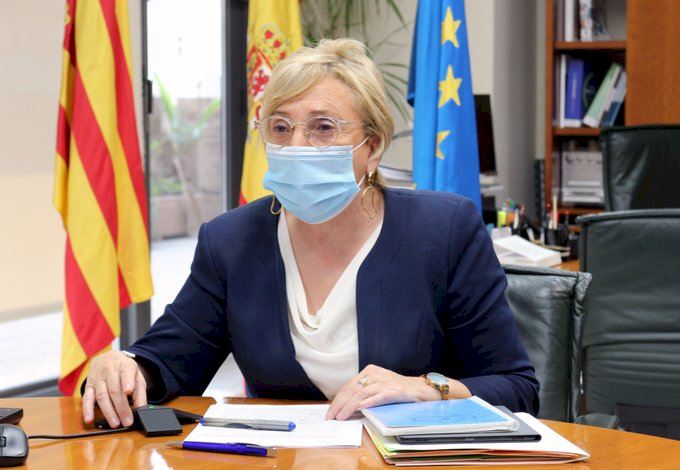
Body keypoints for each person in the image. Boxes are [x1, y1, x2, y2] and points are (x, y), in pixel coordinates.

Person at [82, 38, 539, 429]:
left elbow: (517, 388)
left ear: (372, 147)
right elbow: (168, 362)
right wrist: (123, 367)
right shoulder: (231, 240)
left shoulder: (443, 231)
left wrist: (423, 388)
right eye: (280, 127)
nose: (297, 145)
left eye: (323, 128)